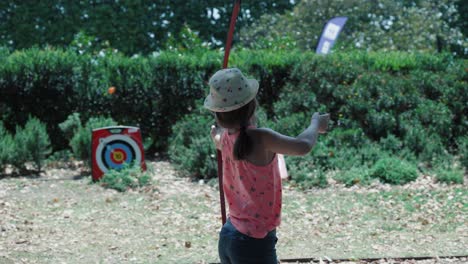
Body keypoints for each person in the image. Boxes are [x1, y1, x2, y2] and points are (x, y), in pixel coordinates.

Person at [204, 68, 329, 264]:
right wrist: (315, 124)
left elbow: (218, 138)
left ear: (218, 116)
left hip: (230, 235)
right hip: (253, 243)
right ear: (253, 105)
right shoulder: (261, 138)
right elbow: (303, 146)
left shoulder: (226, 138)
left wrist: (217, 133)